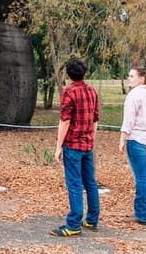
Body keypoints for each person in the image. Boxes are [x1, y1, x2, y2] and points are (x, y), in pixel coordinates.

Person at [50, 57, 101, 237]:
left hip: (73, 144)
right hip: (87, 144)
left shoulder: (69, 92)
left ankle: (73, 224)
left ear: (68, 74)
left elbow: (65, 121)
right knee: (90, 182)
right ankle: (92, 219)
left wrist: (58, 146)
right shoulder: (92, 91)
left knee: (74, 184)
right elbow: (95, 119)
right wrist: (91, 138)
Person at [119, 66, 146, 225]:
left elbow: (128, 120)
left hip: (137, 137)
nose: (129, 78)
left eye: (132, 76)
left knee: (142, 177)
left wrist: (122, 138)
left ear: (141, 79)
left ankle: (142, 213)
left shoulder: (134, 95)